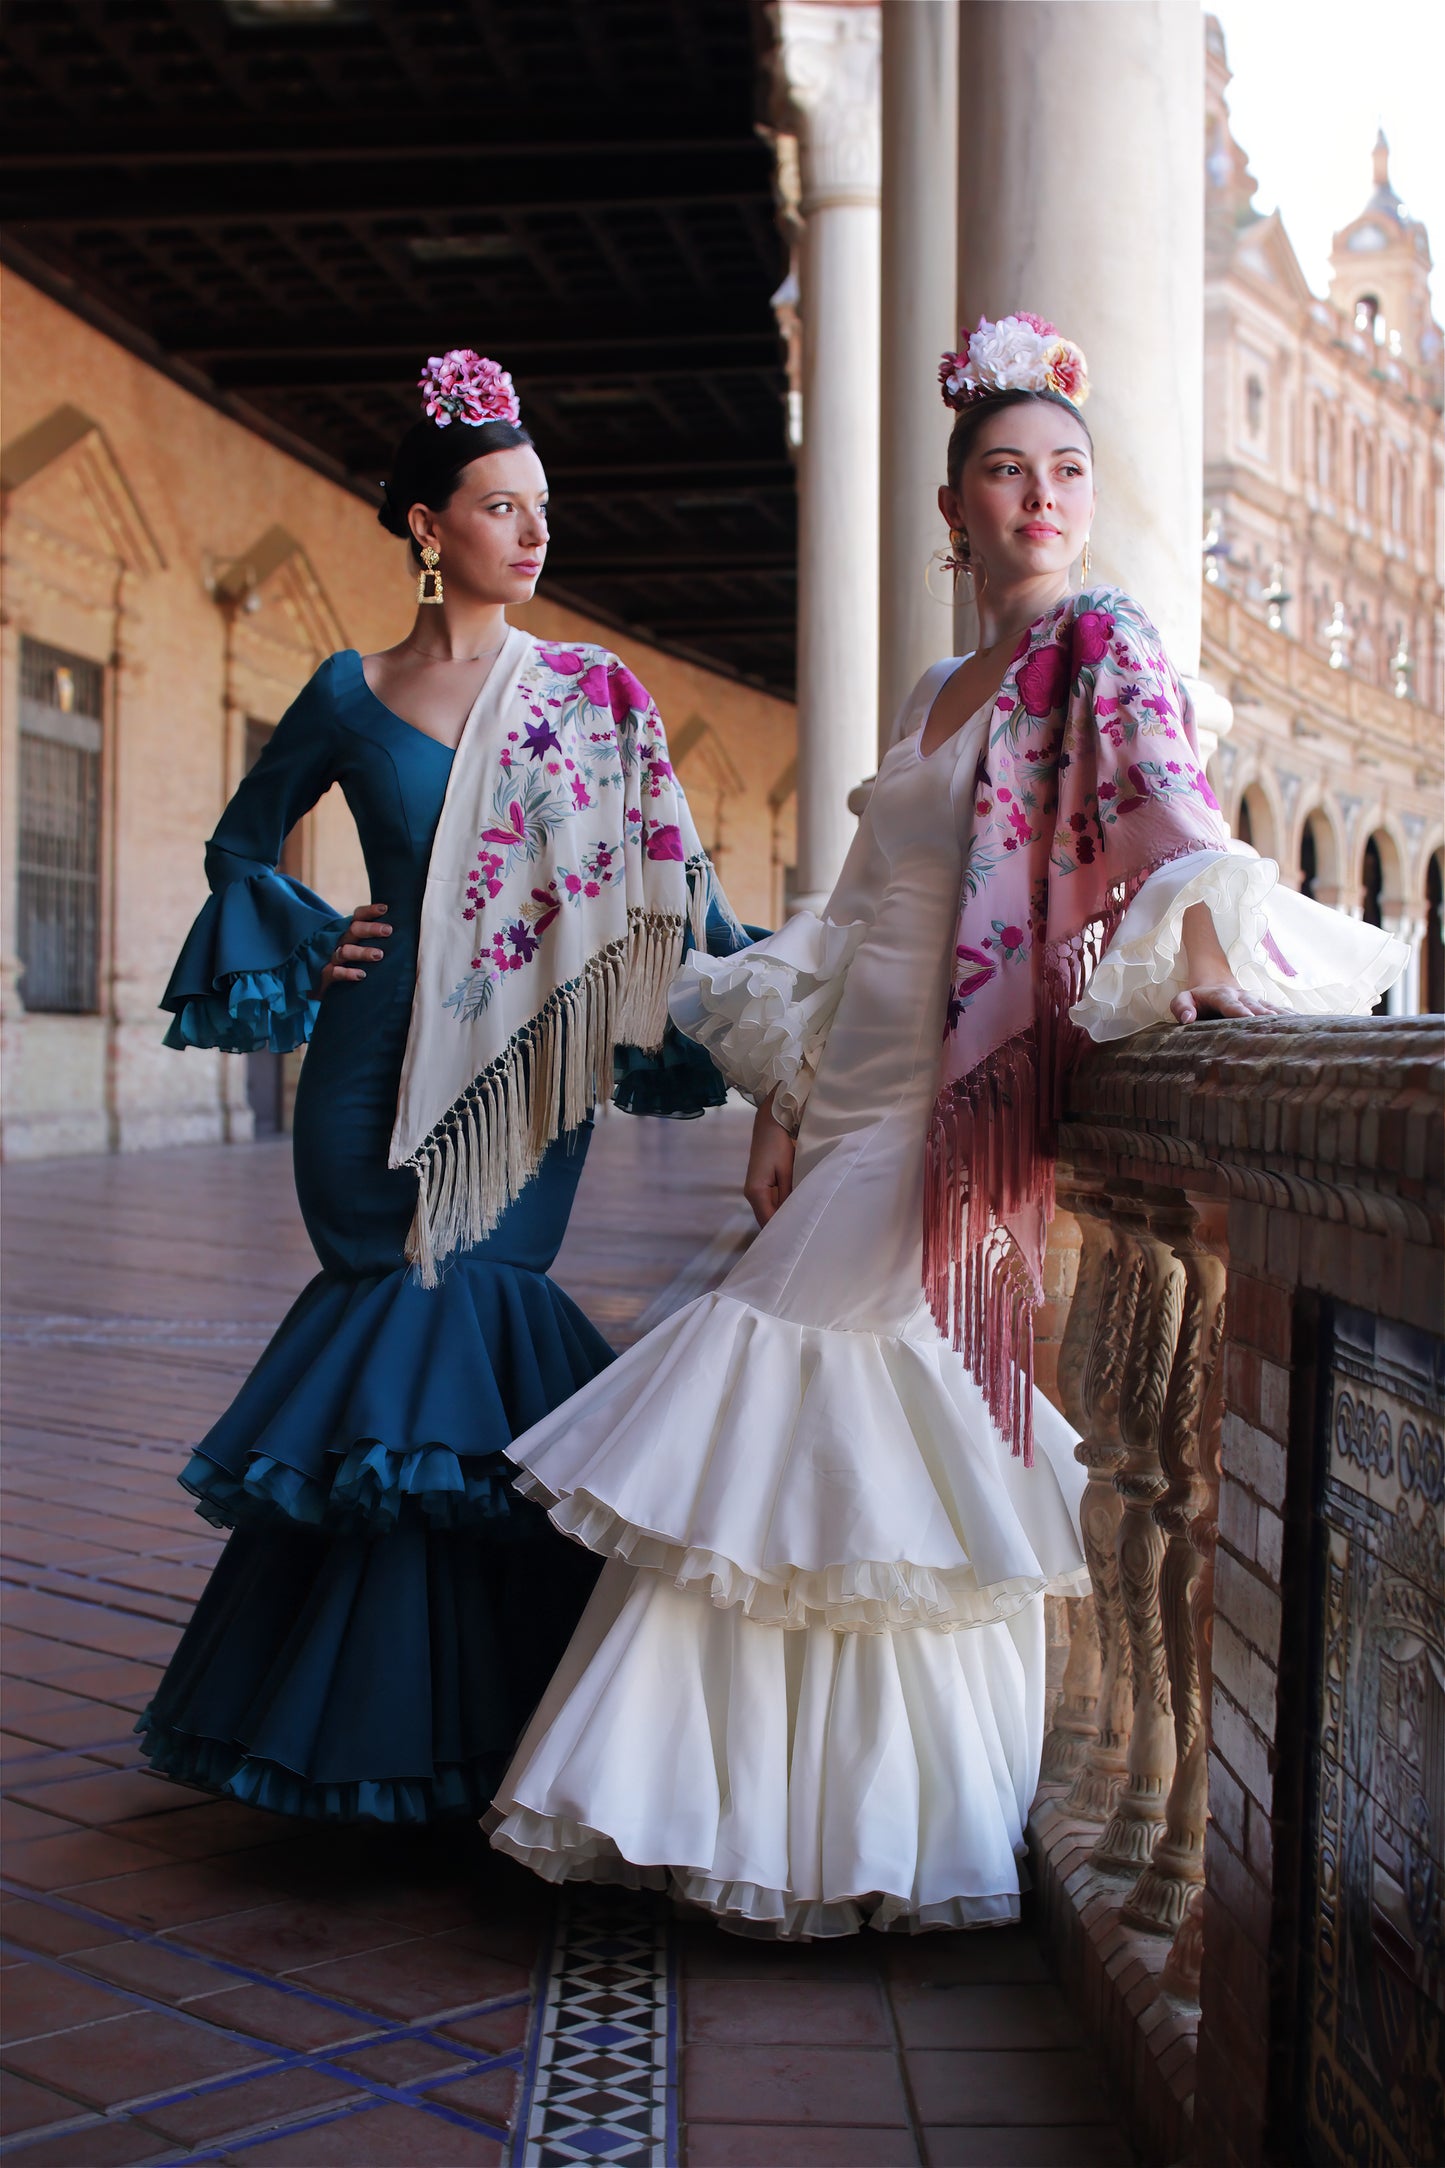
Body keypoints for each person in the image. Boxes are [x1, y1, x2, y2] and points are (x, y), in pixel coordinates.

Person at [484, 314, 1407, 1933]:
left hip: (961, 1084)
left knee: (832, 1399)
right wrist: (780, 1094)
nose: (1039, 495)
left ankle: (863, 1834)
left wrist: (1208, 971)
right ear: (950, 507)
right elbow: (853, 905)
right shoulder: (938, 679)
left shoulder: (1102, 646)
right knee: (822, 1424)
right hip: (852, 1083)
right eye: (1004, 470)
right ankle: (759, 1820)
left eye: (1065, 470)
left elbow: (1164, 814)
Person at [139, 351, 744, 1823]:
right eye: (500, 507)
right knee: (388, 1358)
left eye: (542, 508)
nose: (534, 535)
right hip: (366, 1076)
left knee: (479, 1331)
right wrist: (304, 927)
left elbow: (681, 885)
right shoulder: (347, 695)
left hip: (528, 1081)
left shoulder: (590, 696)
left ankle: (503, 1729)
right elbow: (238, 845)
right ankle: (371, 1736)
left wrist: (809, 993)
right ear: (428, 524)